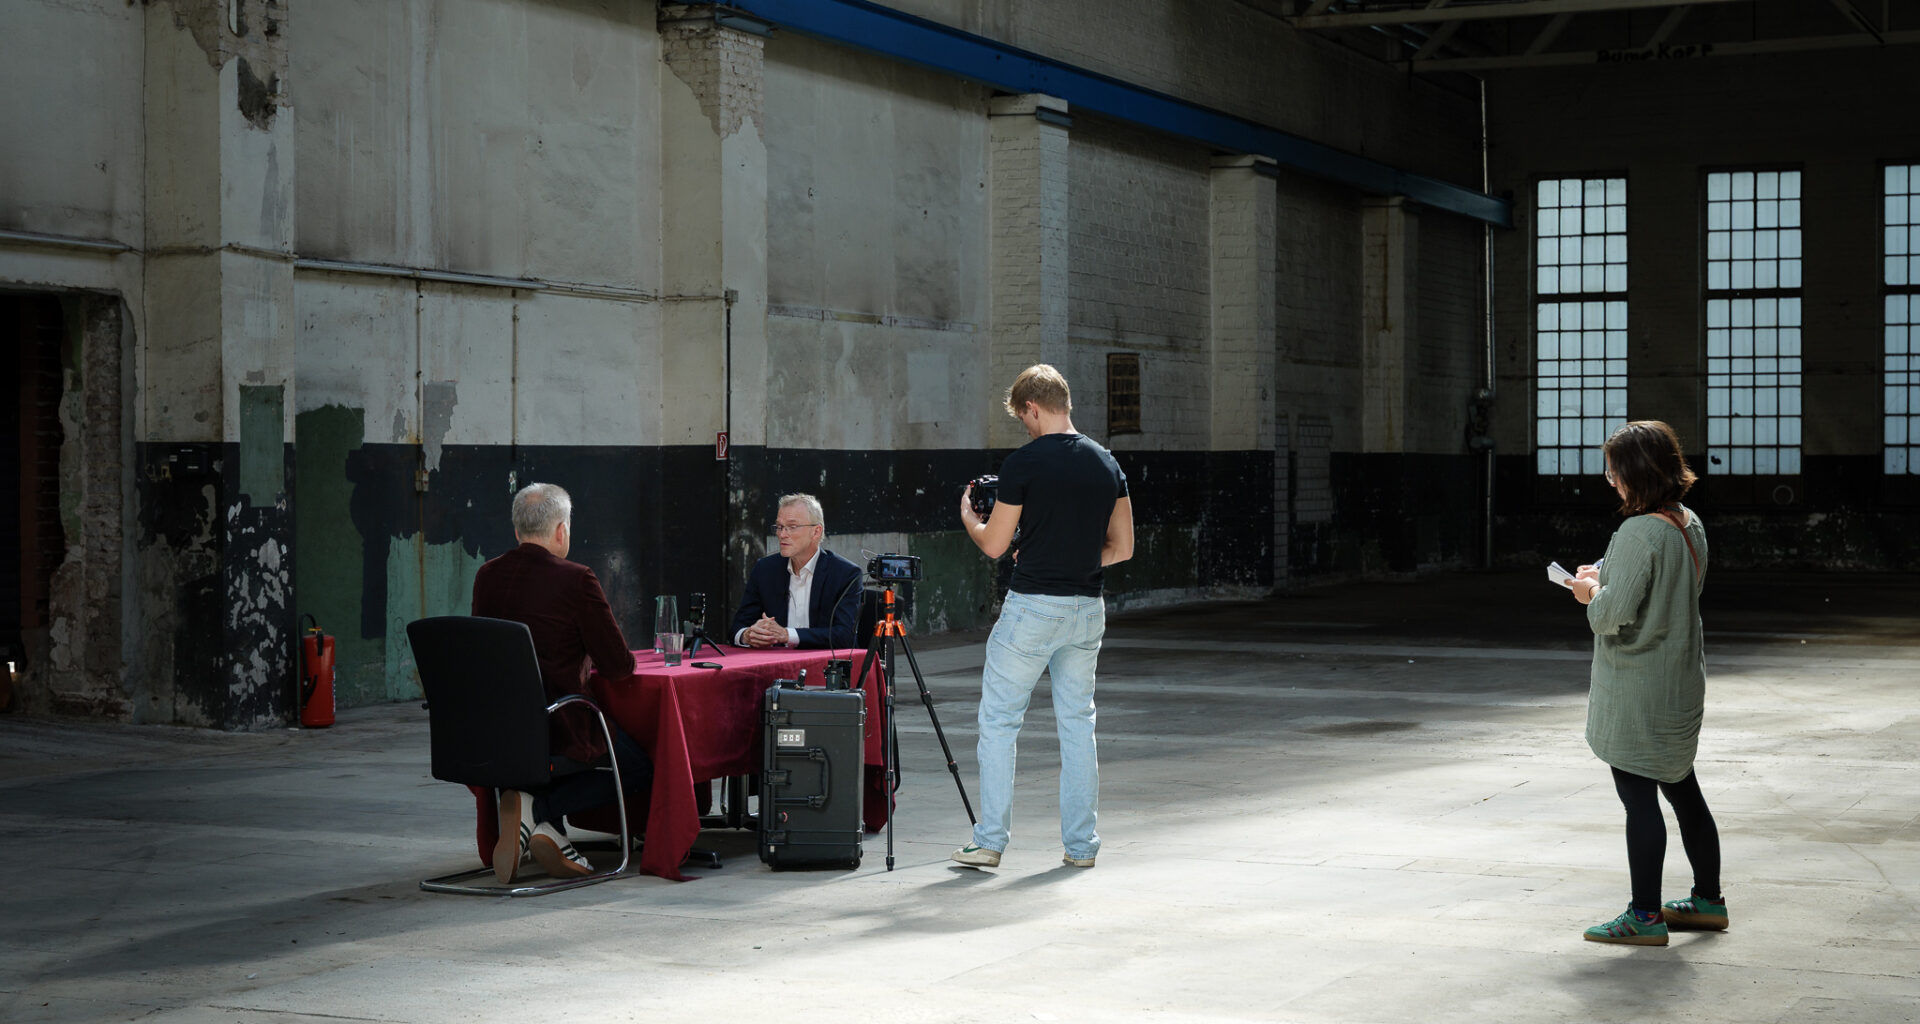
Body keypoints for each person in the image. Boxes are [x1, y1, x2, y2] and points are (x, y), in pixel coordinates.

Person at [951, 364, 1132, 870]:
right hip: (1087, 609)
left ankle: (989, 841)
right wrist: (1069, 556)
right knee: (1077, 724)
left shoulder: (1024, 463)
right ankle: (1081, 848)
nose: (1024, 427)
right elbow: (1122, 548)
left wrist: (970, 518)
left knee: (1000, 721)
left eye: (1022, 418)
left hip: (1033, 606)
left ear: (1031, 407)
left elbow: (994, 544)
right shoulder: (1107, 463)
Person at [1565, 421, 1726, 946]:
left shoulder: (1638, 531)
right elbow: (1663, 589)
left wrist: (1589, 591)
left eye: (1614, 471)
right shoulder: (1687, 522)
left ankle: (1645, 917)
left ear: (1636, 473)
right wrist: (1603, 575)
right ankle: (1708, 901)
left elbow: (1610, 616)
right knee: (1684, 790)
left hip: (1640, 687)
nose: (1610, 481)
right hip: (1680, 680)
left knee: (1639, 800)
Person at [470, 482, 654, 883]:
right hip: (558, 723)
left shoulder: (486, 576)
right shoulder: (576, 579)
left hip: (495, 730)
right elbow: (618, 666)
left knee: (540, 759)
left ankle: (548, 831)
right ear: (561, 530)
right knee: (642, 768)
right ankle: (540, 811)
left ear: (517, 531)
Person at [728, 493, 864, 650]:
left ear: (816, 531)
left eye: (792, 527)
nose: (782, 535)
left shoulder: (845, 574)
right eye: (779, 527)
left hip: (824, 662)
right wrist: (748, 635)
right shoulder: (765, 569)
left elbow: (845, 636)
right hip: (776, 662)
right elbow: (737, 627)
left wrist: (787, 635)